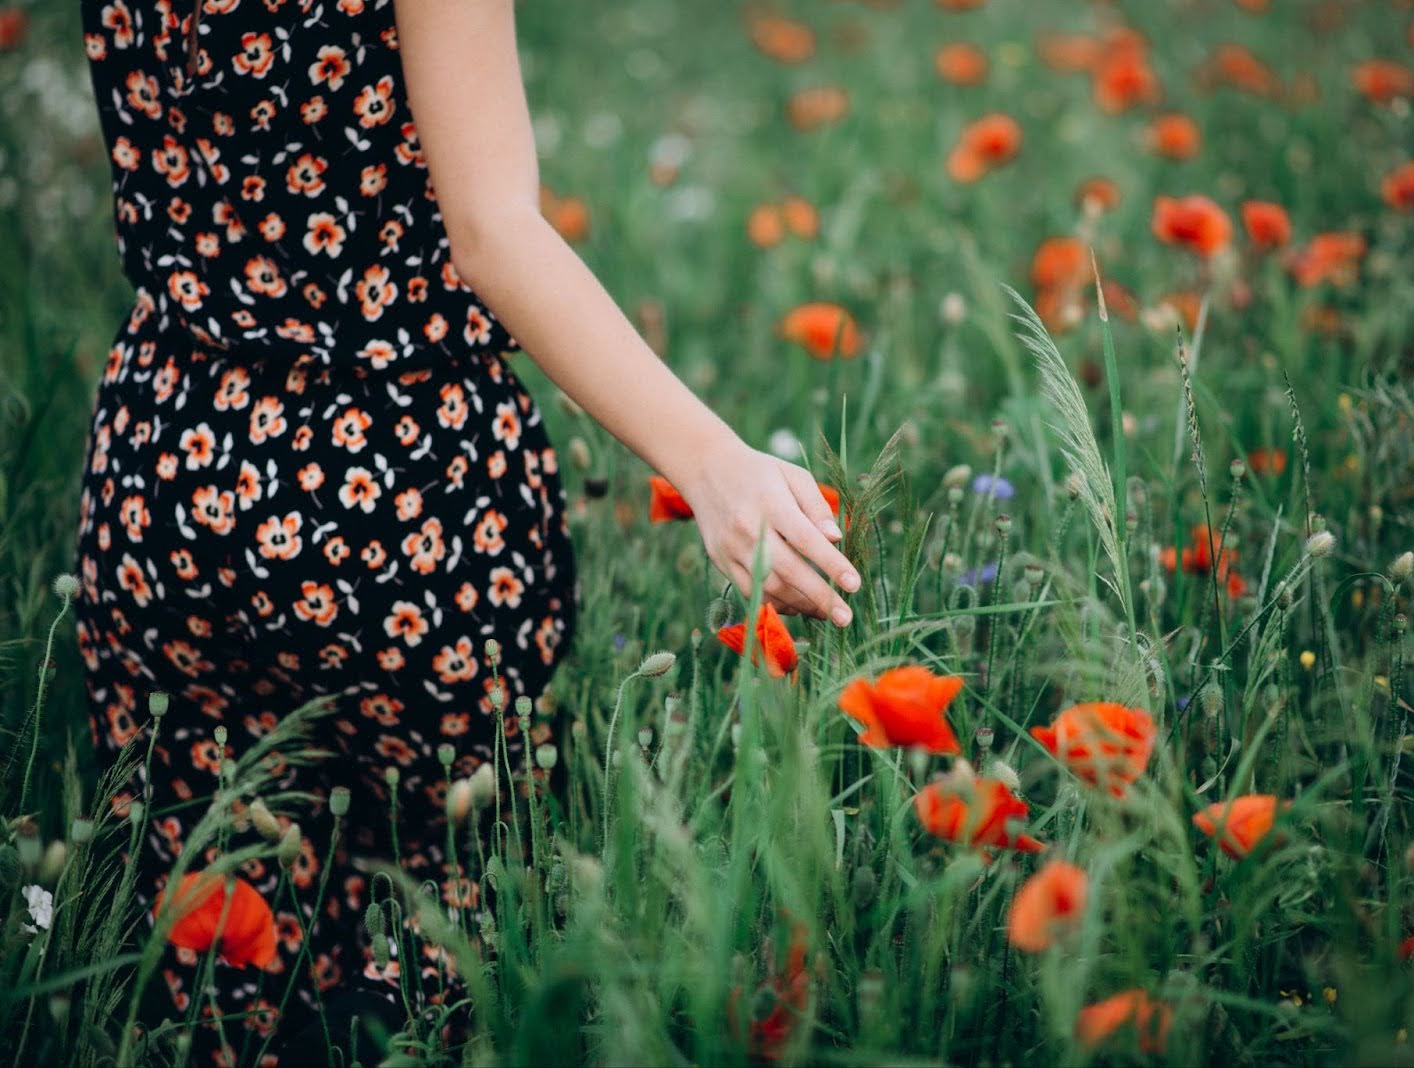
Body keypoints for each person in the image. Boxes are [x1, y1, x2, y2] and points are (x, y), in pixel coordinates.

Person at [72, 0, 860, 1059]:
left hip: (165, 468)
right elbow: (492, 234)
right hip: (400, 499)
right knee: (432, 954)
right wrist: (712, 461)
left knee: (216, 954)